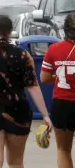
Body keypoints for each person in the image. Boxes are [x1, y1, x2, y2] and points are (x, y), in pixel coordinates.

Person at [0, 15, 52, 168]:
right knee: (16, 162)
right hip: (18, 111)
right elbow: (33, 86)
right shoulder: (23, 55)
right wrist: (45, 114)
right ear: (10, 31)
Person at [40, 13, 75, 168]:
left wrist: (61, 79)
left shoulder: (54, 49)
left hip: (62, 103)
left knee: (63, 149)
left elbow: (44, 78)